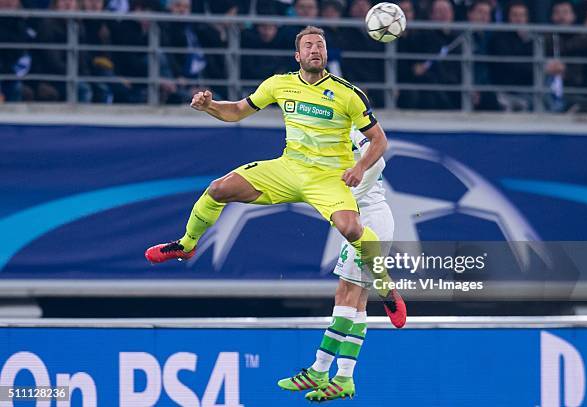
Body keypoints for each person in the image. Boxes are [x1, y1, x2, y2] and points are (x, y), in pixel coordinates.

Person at [145, 23, 406, 340]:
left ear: (326, 53)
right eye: (309, 45)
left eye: (320, 45)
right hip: (288, 168)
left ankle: (385, 285)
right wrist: (210, 106)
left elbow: (379, 141)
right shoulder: (279, 85)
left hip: (328, 177)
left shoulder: (348, 94)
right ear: (298, 55)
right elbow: (237, 111)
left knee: (351, 228)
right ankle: (186, 246)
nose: (315, 50)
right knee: (219, 188)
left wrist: (361, 167)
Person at [277, 128, 393, 401]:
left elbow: (378, 161)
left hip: (368, 220)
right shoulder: (321, 134)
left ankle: (319, 369)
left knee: (346, 295)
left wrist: (353, 191)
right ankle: (344, 376)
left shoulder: (349, 127)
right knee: (359, 301)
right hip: (362, 219)